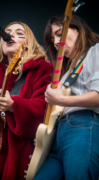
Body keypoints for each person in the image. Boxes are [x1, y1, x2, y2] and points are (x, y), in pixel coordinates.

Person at [0, 22, 54, 180]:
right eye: (7, 32)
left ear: (28, 43)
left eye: (19, 33)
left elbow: (46, 111)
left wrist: (14, 106)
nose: (10, 35)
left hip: (26, 156)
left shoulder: (43, 68)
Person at [34, 14, 99, 180]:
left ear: (77, 30)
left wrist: (62, 100)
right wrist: (45, 139)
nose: (56, 42)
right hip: (59, 137)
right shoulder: (69, 71)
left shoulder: (96, 51)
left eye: (59, 33)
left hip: (83, 127)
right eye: (52, 38)